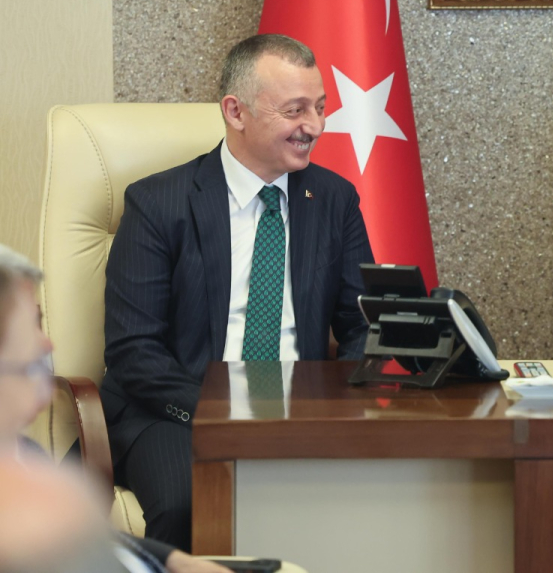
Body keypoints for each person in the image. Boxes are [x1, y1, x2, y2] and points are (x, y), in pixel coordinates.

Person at [102, 34, 373, 550]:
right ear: (235, 111)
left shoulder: (333, 199)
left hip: (300, 410)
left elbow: (362, 324)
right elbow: (133, 351)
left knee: (380, 494)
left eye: (319, 108)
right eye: (295, 110)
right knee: (191, 502)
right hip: (175, 410)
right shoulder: (158, 203)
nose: (315, 126)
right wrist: (228, 414)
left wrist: (338, 405)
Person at [0, 245, 231, 573]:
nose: (46, 344)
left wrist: (171, 559)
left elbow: (88, 537)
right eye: (28, 327)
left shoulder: (24, 454)